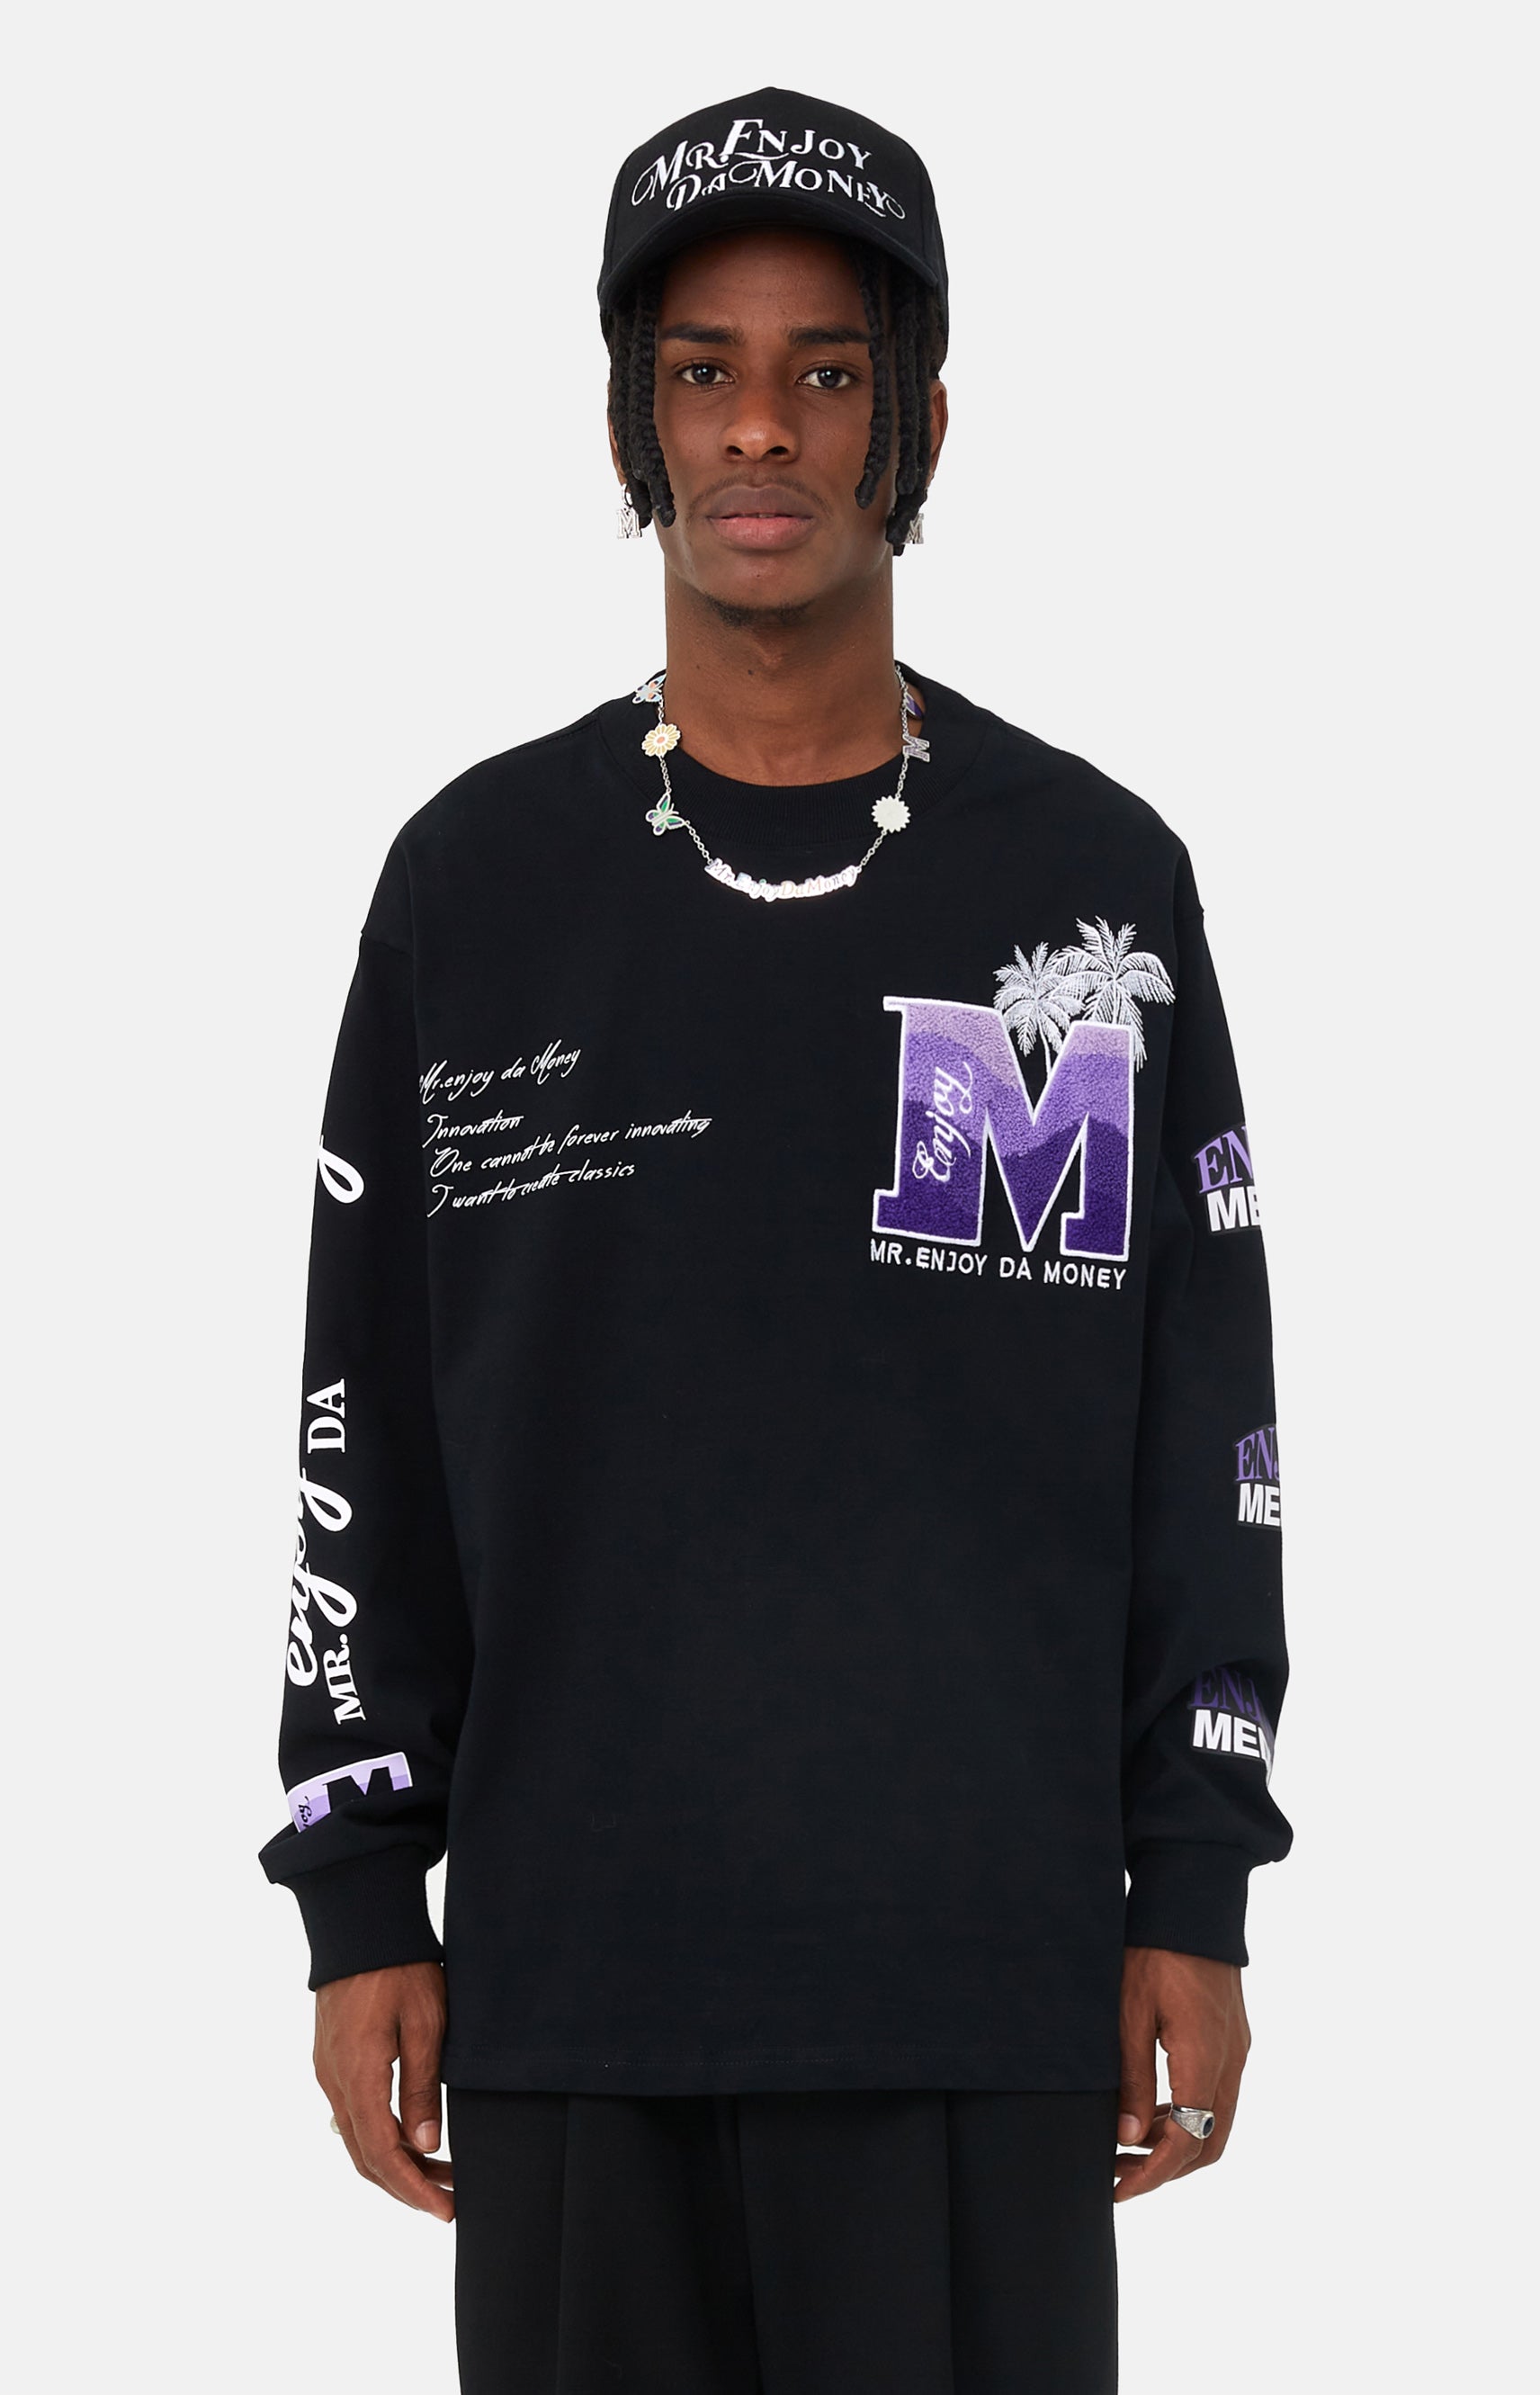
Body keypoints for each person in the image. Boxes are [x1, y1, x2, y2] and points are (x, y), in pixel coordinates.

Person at [258, 86, 1293, 2394]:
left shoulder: (1087, 888)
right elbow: (361, 1417)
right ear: (632, 418)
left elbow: (1197, 1415)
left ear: (916, 420)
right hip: (576, 1978)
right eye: (701, 370)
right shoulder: (475, 886)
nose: (759, 429)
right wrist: (356, 1882)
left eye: (825, 372)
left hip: (977, 1975)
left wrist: (1195, 1872)